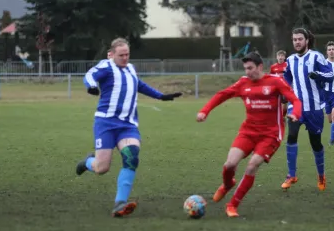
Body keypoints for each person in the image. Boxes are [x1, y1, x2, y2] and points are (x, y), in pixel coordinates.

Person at [75, 38, 182, 217]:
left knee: (131, 156)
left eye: (127, 55)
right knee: (102, 168)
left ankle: (120, 203)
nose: (125, 58)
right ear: (111, 54)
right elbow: (89, 76)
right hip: (106, 124)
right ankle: (87, 162)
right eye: (121, 55)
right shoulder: (106, 66)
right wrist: (92, 87)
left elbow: (139, 85)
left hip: (127, 125)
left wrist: (161, 96)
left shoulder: (131, 68)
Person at [196, 52, 302, 218]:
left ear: (260, 67)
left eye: (250, 68)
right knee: (230, 164)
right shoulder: (243, 83)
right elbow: (221, 95)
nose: (247, 72)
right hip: (248, 131)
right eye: (245, 68)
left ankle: (232, 205)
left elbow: (295, 100)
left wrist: (295, 113)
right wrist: (205, 111)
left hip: (270, 134)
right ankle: (227, 184)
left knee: (252, 165)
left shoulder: (275, 81)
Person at [281, 28, 334, 191]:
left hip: (314, 108)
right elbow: (287, 78)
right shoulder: (290, 60)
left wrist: (317, 74)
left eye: (300, 39)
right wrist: (286, 92)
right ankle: (291, 175)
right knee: (291, 136)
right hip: (296, 106)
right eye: (294, 39)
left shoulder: (316, 56)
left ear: (307, 40)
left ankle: (321, 175)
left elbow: (330, 75)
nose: (297, 42)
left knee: (315, 143)